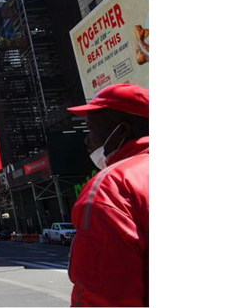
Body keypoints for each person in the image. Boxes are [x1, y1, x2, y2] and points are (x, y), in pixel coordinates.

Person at [65, 83, 149, 307]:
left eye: (91, 129)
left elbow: (105, 296)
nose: (87, 140)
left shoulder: (111, 187)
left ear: (122, 130)